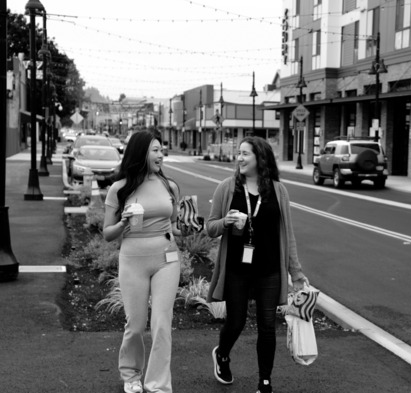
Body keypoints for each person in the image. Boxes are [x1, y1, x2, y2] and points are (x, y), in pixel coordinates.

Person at [206, 136, 309, 393]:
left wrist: (296, 273)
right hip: (237, 269)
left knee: (266, 326)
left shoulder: (278, 190)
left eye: (245, 154)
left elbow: (288, 234)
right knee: (236, 321)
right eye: (238, 153)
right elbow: (210, 228)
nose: (239, 158)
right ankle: (222, 354)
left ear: (260, 159)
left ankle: (265, 382)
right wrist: (226, 222)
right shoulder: (227, 188)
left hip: (269, 269)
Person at [103, 130, 181, 393]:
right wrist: (124, 222)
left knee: (162, 323)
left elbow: (175, 226)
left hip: (167, 259)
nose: (161, 154)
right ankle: (131, 375)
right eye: (155, 150)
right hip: (132, 260)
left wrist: (190, 226)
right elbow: (107, 234)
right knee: (135, 325)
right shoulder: (120, 189)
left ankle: (158, 384)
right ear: (141, 153)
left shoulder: (169, 186)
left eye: (162, 149)